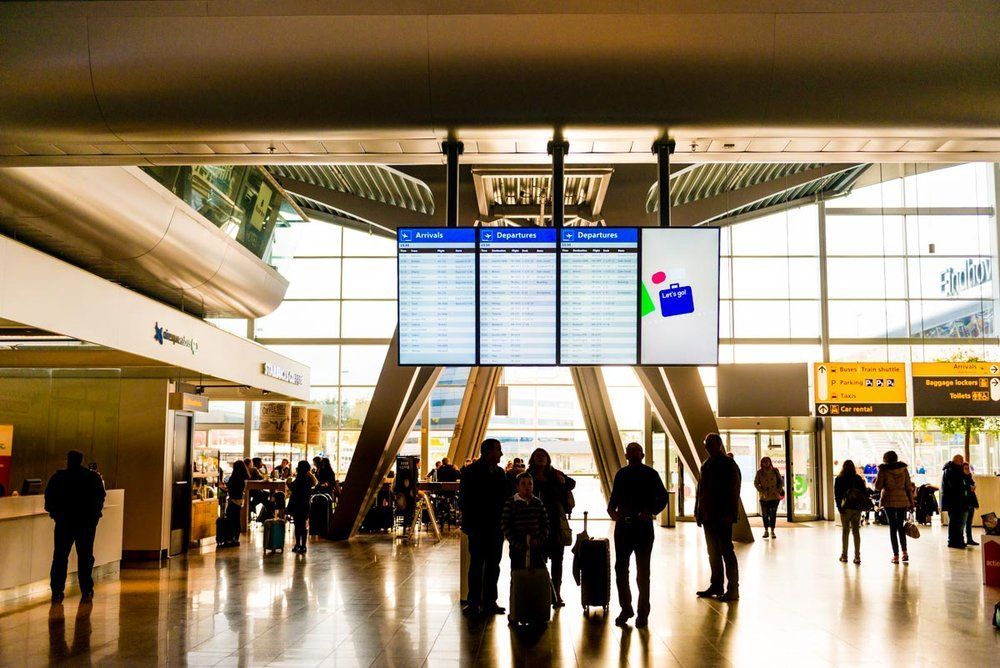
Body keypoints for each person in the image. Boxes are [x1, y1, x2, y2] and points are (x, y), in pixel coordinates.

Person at [607, 442, 668, 627]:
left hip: (640, 527)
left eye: (636, 450)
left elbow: (663, 497)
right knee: (623, 569)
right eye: (630, 451)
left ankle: (640, 612)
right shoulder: (624, 474)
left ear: (642, 455)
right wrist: (611, 510)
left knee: (641, 571)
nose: (633, 453)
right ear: (627, 455)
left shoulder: (649, 474)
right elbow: (614, 498)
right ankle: (628, 608)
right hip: (628, 526)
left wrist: (650, 512)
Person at [43, 450, 107, 603]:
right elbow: (100, 497)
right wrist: (94, 517)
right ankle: (86, 589)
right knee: (85, 556)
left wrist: (55, 514)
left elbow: (49, 497)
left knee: (60, 556)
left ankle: (57, 590)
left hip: (64, 523)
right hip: (86, 524)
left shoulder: (58, 477)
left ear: (68, 460)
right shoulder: (92, 478)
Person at [458, 438, 509, 618]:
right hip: (480, 527)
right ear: (488, 452)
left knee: (491, 565)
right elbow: (464, 501)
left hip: (490, 527)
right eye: (498, 450)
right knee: (479, 564)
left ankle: (485, 601)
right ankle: (478, 601)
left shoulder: (497, 472)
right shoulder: (472, 472)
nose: (501, 453)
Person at [695, 433, 741, 603]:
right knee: (713, 551)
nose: (708, 446)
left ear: (719, 444)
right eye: (707, 443)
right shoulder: (706, 464)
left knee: (726, 551)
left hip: (722, 515)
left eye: (711, 443)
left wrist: (731, 514)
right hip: (708, 515)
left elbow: (734, 490)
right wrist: (698, 512)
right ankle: (716, 585)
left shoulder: (728, 464)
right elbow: (701, 490)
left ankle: (733, 589)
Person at [527, 448, 576, 608]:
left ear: (548, 459)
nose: (540, 458)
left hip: (554, 522)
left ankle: (556, 593)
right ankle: (541, 592)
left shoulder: (555, 474)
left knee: (557, 559)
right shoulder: (528, 476)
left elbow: (572, 483)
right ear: (533, 459)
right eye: (537, 456)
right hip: (535, 522)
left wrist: (562, 481)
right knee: (537, 559)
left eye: (543, 456)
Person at [500, 472, 549, 572]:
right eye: (523, 484)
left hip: (536, 546)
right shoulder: (511, 503)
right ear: (517, 486)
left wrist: (539, 539)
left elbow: (545, 523)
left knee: (537, 573)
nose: (527, 487)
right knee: (518, 573)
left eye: (530, 484)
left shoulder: (538, 503)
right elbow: (505, 525)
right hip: (517, 547)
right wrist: (516, 543)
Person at [875, 450, 914, 563]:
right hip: (902, 500)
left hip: (889, 501)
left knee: (893, 528)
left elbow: (878, 487)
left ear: (885, 459)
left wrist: (878, 477)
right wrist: (911, 503)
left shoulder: (883, 470)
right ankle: (905, 553)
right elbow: (908, 487)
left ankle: (896, 556)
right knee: (900, 526)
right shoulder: (904, 469)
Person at [834, 460, 868, 564]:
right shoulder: (858, 478)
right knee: (856, 532)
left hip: (845, 508)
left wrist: (839, 507)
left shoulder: (839, 478)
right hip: (856, 508)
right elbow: (864, 493)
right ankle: (857, 557)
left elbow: (837, 494)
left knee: (845, 531)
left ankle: (844, 555)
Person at [286, 460, 316, 553]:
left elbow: (293, 487)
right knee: (303, 525)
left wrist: (288, 482)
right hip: (305, 504)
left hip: (297, 504)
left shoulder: (300, 477)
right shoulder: (309, 478)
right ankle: (303, 546)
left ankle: (298, 544)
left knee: (297, 525)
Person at [940, 454, 969, 549]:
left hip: (956, 501)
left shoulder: (953, 469)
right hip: (954, 501)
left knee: (957, 522)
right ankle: (953, 541)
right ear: (957, 461)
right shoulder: (951, 471)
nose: (962, 462)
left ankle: (958, 540)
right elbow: (955, 487)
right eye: (961, 460)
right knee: (955, 522)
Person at [753, 457, 783, 539]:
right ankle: (766, 530)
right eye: (764, 461)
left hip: (774, 496)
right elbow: (756, 483)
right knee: (765, 514)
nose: (766, 463)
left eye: (767, 461)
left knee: (773, 514)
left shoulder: (775, 470)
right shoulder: (759, 472)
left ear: (770, 462)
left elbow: (780, 481)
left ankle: (772, 531)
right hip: (764, 497)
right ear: (761, 463)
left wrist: (778, 490)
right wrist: (761, 491)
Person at [222, 459, 250, 547]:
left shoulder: (234, 477)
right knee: (236, 519)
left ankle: (230, 538)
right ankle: (236, 538)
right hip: (240, 500)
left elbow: (231, 489)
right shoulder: (244, 477)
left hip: (234, 500)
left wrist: (224, 488)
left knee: (231, 518)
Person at [962, 462, 980, 546]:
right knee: (963, 523)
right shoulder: (961, 478)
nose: (967, 470)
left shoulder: (969, 477)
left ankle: (969, 539)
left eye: (968, 468)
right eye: (965, 468)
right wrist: (970, 487)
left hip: (971, 502)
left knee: (969, 522)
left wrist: (974, 486)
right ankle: (961, 539)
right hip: (964, 503)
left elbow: (973, 485)